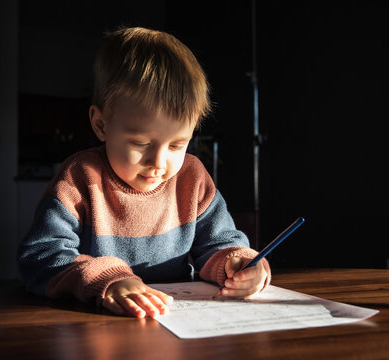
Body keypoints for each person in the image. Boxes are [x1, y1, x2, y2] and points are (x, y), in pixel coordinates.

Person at [17, 26, 270, 319]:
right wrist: (108, 280)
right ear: (100, 124)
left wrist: (238, 264)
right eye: (141, 143)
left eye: (177, 145)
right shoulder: (79, 177)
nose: (159, 163)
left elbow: (220, 243)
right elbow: (40, 258)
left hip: (176, 321)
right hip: (95, 325)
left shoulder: (192, 176)